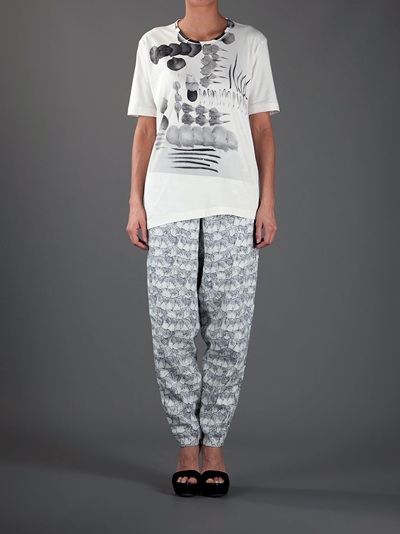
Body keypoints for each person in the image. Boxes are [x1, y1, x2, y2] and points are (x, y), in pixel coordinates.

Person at [126, 0, 280, 497]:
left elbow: (261, 128)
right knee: (172, 333)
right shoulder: (152, 43)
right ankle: (185, 447)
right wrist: (134, 202)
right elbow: (146, 127)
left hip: (235, 204)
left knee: (229, 334)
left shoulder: (251, 43)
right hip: (168, 203)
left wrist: (267, 203)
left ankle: (213, 446)